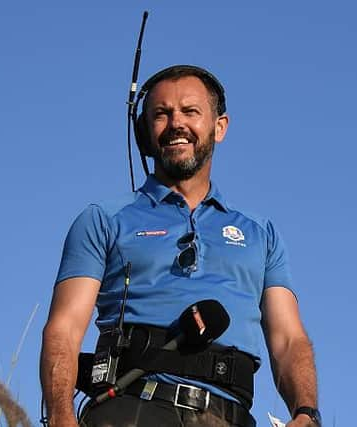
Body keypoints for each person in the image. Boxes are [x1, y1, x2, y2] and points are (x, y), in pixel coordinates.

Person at [40, 65, 320, 427]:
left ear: (219, 127)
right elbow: (63, 327)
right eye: (161, 114)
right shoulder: (103, 219)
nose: (176, 124)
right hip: (131, 409)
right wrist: (62, 416)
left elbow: (288, 337)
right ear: (144, 132)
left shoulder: (260, 233)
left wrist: (306, 412)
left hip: (230, 416)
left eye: (190, 111)